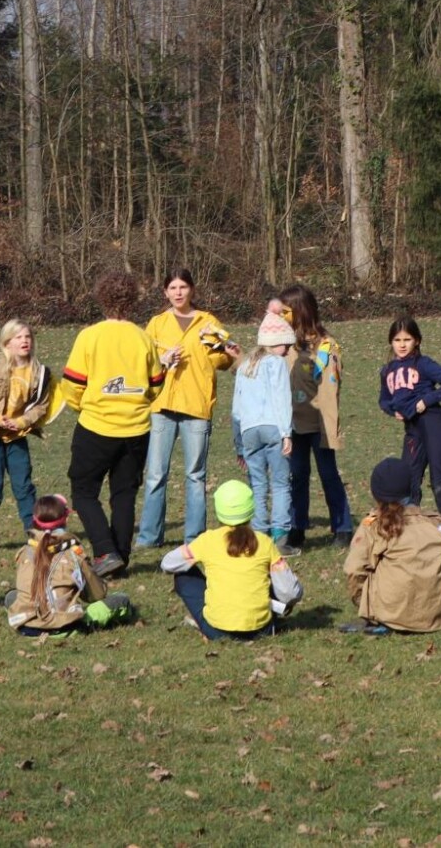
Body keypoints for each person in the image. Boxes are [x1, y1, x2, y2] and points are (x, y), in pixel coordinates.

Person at [54, 271, 167, 576]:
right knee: (124, 494)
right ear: (133, 300)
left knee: (83, 492)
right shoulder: (143, 338)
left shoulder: (90, 336)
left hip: (97, 426)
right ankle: (120, 558)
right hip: (137, 429)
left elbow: (72, 384)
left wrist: (82, 406)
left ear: (100, 298)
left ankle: (105, 550)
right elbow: (157, 384)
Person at [135, 270, 238, 551]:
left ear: (192, 290)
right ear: (165, 292)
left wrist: (213, 345)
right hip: (162, 405)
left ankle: (195, 537)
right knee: (155, 474)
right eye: (173, 288)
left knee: (195, 475)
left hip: (196, 405)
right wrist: (163, 359)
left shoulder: (209, 321)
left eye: (183, 287)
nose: (178, 292)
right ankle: (149, 537)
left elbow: (224, 362)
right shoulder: (157, 323)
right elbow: (143, 361)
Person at [339, 457, 441, 635]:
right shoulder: (437, 523)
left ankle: (385, 619)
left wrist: (365, 602)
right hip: (439, 614)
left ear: (376, 494)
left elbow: (354, 570)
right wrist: (439, 587)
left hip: (390, 614)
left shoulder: (372, 527)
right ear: (411, 488)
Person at [160, 481, 304, 641]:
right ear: (251, 509)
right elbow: (289, 592)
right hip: (262, 629)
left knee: (183, 574)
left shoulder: (208, 540)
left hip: (215, 630)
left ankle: (212, 613)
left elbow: (168, 563)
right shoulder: (264, 543)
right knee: (272, 577)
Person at [378, 317, 441, 550]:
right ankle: (409, 538)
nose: (402, 345)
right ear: (391, 342)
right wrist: (393, 410)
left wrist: (426, 400)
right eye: (397, 340)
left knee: (439, 480)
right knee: (407, 482)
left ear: (417, 341)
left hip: (434, 424)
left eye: (407, 339)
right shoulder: (387, 370)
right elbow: (384, 399)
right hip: (413, 430)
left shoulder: (423, 364)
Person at [279, 285, 354, 549]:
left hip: (319, 423)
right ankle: (297, 527)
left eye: (286, 312)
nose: (281, 316)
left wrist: (330, 429)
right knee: (297, 476)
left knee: (328, 474)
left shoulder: (326, 346)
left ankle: (343, 527)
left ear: (300, 311)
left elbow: (330, 389)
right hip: (292, 424)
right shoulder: (284, 345)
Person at [0, 320, 53, 550]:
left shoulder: (39, 372)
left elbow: (41, 406)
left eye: (27, 337)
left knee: (23, 485)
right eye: (18, 337)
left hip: (17, 436)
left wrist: (22, 421)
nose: (24, 341)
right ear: (7, 342)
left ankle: (34, 531)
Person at [6, 494, 133, 636]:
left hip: (27, 626)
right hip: (65, 626)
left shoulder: (24, 552)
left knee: (12, 596)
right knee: (121, 600)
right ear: (65, 520)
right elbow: (96, 595)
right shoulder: (73, 554)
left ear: (34, 521)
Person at [229, 312, 298, 550]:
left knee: (257, 485)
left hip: (249, 431)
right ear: (275, 343)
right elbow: (282, 397)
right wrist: (286, 433)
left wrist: (239, 445)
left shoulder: (245, 365)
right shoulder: (276, 363)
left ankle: (259, 535)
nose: (288, 351)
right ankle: (280, 538)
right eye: (286, 345)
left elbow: (236, 409)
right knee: (280, 483)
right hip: (273, 428)